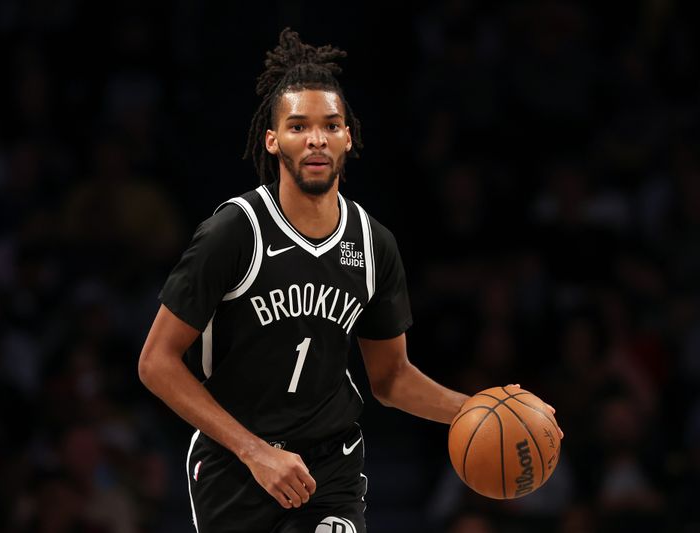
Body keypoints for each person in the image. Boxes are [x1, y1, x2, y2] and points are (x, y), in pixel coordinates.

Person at [138, 28, 560, 533]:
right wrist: (255, 452)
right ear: (272, 139)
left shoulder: (373, 243)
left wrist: (483, 410)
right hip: (236, 460)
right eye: (298, 126)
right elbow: (155, 363)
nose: (315, 137)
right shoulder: (234, 232)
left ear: (348, 136)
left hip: (330, 462)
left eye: (330, 125)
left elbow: (390, 378)